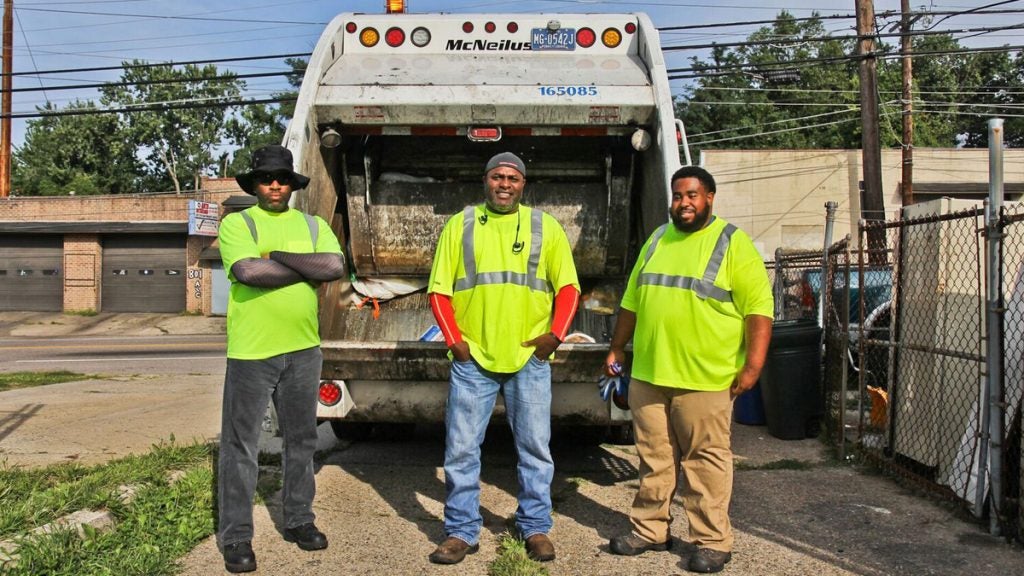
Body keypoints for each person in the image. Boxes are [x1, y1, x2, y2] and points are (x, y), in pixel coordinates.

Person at [604, 166, 773, 574]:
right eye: (678, 196)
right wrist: (617, 349)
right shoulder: (658, 239)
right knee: (654, 458)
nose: (684, 203)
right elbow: (632, 301)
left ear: (710, 197)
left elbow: (759, 311)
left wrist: (753, 366)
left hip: (706, 379)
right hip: (649, 373)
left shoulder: (733, 243)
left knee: (705, 463)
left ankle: (713, 541)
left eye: (692, 195)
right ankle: (650, 530)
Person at [426, 152, 580, 565]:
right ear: (485, 180)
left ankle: (535, 526)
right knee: (461, 449)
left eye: (512, 177)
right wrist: (456, 342)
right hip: (473, 357)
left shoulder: (544, 227)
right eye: (498, 177)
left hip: (528, 358)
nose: (505, 184)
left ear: (523, 184)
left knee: (534, 448)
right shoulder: (460, 225)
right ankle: (461, 531)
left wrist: (555, 335)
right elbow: (438, 291)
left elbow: (568, 288)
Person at [216, 144, 345, 574]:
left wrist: (279, 259)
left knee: (302, 442)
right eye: (267, 178)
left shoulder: (312, 225)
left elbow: (333, 267)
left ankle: (299, 520)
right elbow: (249, 272)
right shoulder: (239, 223)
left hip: (304, 349)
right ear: (254, 184)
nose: (275, 184)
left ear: (292, 184)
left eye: (282, 178)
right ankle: (236, 536)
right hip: (252, 352)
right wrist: (304, 268)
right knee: (241, 446)